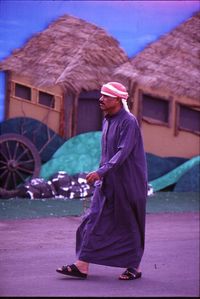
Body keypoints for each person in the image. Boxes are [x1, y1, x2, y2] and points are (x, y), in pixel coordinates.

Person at [56, 81, 148, 280]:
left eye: (106, 96)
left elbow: (122, 153)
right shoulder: (107, 120)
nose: (101, 99)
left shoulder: (128, 121)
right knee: (91, 220)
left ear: (117, 99)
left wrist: (101, 172)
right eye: (101, 95)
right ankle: (82, 265)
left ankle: (134, 267)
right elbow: (107, 154)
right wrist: (100, 175)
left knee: (128, 223)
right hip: (108, 181)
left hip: (128, 183)